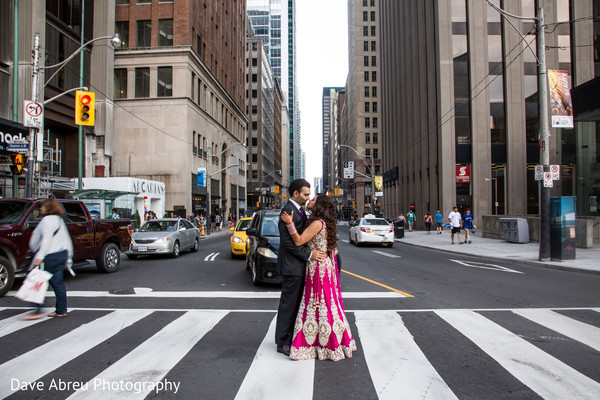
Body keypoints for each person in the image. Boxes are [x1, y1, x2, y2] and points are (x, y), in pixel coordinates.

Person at [281, 193, 357, 361]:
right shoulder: (326, 223)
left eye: (313, 199)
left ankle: (320, 342)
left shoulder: (316, 223)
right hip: (326, 267)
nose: (310, 200)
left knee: (316, 303)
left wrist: (290, 224)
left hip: (317, 268)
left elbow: (299, 241)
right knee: (327, 304)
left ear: (319, 206)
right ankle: (333, 340)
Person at [275, 179, 327, 357]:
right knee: (288, 306)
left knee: (296, 305)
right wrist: (310, 254)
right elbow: (289, 243)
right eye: (305, 194)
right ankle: (282, 343)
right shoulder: (288, 211)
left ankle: (290, 338)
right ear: (295, 194)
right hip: (292, 267)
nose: (308, 197)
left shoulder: (299, 210)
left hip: (298, 267)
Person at [23, 198, 73, 320]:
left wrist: (39, 256)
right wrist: (69, 257)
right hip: (62, 254)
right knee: (57, 283)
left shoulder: (46, 220)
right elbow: (66, 239)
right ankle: (61, 310)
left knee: (36, 281)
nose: (41, 208)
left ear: (49, 207)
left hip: (50, 255)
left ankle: (37, 310)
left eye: (43, 206)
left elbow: (46, 240)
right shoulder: (59, 220)